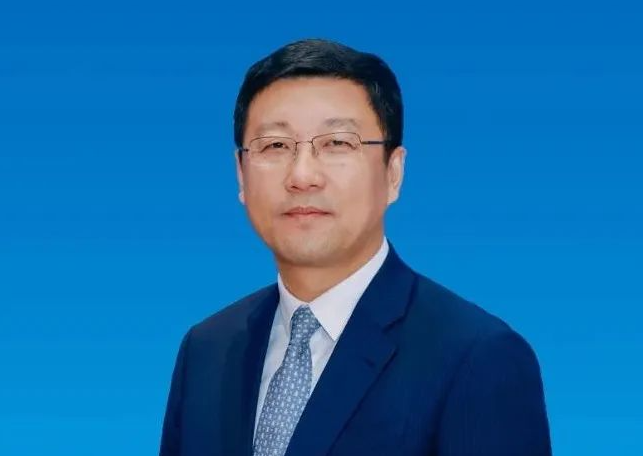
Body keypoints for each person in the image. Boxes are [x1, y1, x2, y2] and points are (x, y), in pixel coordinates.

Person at [159, 38, 552, 456]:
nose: (302, 176)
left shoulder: (478, 359)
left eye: (337, 143)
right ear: (241, 174)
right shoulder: (206, 350)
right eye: (275, 145)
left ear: (393, 173)